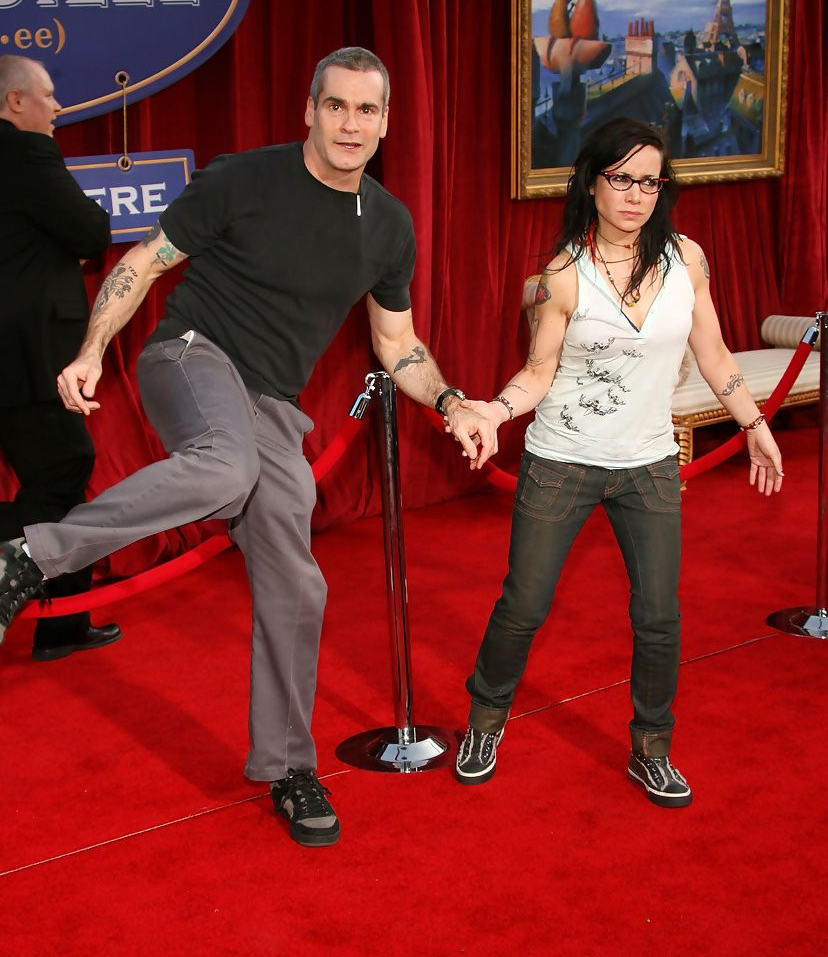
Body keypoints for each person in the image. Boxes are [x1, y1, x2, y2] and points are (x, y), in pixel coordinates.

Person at [0, 47, 496, 846]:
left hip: (270, 403)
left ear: (385, 123)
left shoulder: (389, 226)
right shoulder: (243, 179)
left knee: (299, 579)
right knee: (224, 466)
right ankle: (29, 558)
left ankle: (288, 766)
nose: (350, 124)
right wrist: (93, 350)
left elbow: (397, 343)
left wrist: (447, 400)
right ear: (309, 109)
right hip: (191, 354)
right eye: (335, 106)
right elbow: (141, 263)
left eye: (367, 111)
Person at [452, 117, 783, 807]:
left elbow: (715, 353)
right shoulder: (564, 275)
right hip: (562, 461)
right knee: (525, 603)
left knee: (659, 614)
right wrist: (493, 410)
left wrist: (754, 421)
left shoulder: (686, 260)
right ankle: (485, 721)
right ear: (592, 183)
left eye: (650, 181)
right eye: (622, 178)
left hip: (649, 463)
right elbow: (538, 373)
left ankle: (651, 748)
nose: (636, 195)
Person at [0, 54, 122, 661]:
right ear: (15, 101)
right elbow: (91, 231)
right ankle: (36, 596)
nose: (58, 107)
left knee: (60, 482)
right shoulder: (25, 152)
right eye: (47, 95)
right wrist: (64, 244)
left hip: (14, 350)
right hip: (30, 353)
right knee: (63, 475)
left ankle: (64, 626)